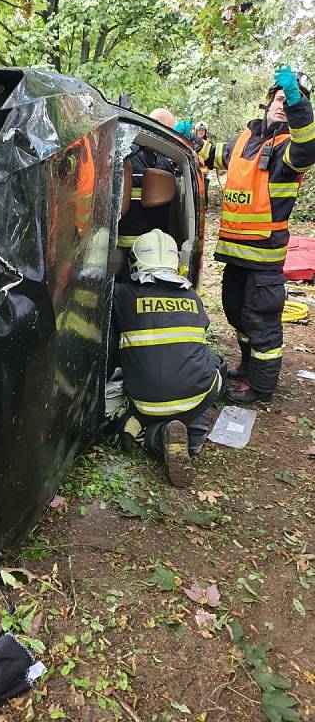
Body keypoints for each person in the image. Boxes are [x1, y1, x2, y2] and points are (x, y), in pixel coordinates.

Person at [185, 67, 315, 403]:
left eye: (292, 101)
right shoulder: (243, 140)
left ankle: (261, 387)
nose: (283, 105)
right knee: (235, 312)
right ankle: (247, 367)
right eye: (280, 98)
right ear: (269, 100)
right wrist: (190, 139)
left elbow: (307, 148)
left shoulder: (290, 149)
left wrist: (300, 107)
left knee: (262, 322)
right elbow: (215, 156)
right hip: (235, 252)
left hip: (264, 258)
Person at [111, 229, 225, 487]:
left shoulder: (123, 296)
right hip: (194, 396)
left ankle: (154, 431)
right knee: (216, 363)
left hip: (145, 400)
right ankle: (193, 435)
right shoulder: (193, 298)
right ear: (176, 263)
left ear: (135, 261)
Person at [117, 108, 178, 249]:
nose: (170, 139)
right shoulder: (127, 155)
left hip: (156, 241)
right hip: (130, 241)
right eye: (168, 132)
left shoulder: (164, 158)